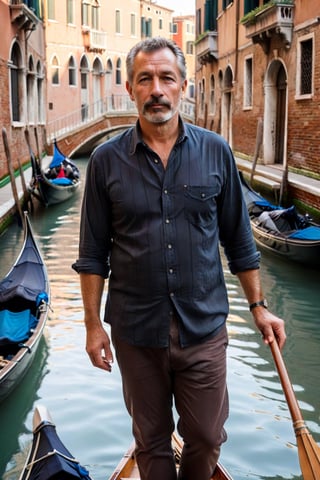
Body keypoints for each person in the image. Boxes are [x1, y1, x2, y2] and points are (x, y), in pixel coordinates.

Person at [72, 37, 286, 480]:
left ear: (183, 86)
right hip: (136, 329)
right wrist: (93, 326)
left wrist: (259, 308)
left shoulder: (216, 151)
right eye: (144, 79)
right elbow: (92, 255)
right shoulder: (106, 163)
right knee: (150, 441)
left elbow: (238, 239)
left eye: (166, 78)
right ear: (130, 90)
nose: (157, 89)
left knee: (207, 437)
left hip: (204, 325)